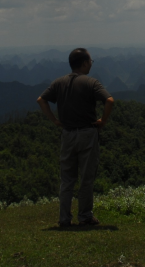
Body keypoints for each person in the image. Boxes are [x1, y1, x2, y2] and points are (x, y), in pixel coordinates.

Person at [37, 48, 115, 227]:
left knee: (67, 179)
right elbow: (109, 101)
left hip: (68, 134)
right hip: (88, 133)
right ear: (85, 63)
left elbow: (41, 100)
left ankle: (64, 219)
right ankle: (85, 216)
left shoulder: (59, 83)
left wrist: (55, 120)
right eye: (90, 62)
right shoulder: (91, 83)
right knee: (86, 178)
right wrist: (103, 120)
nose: (91, 64)